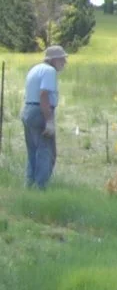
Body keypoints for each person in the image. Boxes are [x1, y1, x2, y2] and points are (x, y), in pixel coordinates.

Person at [21, 45, 64, 189]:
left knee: (32, 150)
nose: (64, 62)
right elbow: (44, 94)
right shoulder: (50, 71)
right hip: (41, 111)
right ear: (53, 60)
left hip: (28, 109)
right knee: (46, 151)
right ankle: (41, 187)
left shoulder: (35, 69)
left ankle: (29, 183)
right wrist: (49, 121)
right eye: (62, 59)